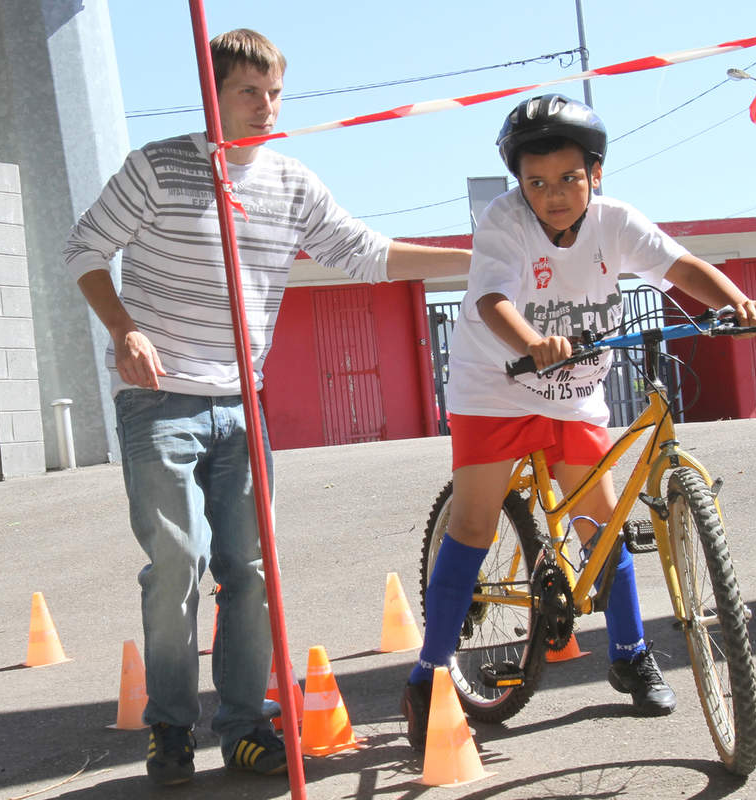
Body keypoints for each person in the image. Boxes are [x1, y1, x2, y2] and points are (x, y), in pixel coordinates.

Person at [63, 29, 469, 786]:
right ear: (214, 95)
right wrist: (125, 329)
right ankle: (171, 730)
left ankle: (246, 726)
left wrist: (484, 259)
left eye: (275, 92)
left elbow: (367, 253)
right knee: (177, 565)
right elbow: (82, 251)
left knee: (248, 571)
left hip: (242, 403)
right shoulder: (157, 166)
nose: (266, 105)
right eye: (249, 92)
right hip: (159, 402)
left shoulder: (291, 183)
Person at [401, 94, 756, 749]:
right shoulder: (504, 222)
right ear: (519, 183)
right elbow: (490, 298)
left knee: (600, 522)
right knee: (474, 522)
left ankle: (631, 654)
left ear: (595, 174)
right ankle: (429, 672)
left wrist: (739, 302)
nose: (554, 194)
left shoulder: (616, 223)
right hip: (497, 383)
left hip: (574, 388)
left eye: (570, 178)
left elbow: (681, 266)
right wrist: (530, 342)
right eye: (537, 181)